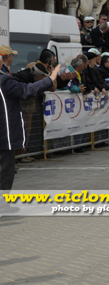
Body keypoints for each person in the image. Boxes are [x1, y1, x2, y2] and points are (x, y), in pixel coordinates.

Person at [0, 64, 61, 212]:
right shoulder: (4, 81)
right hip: (4, 135)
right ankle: (1, 204)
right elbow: (27, 91)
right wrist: (50, 79)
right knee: (5, 171)